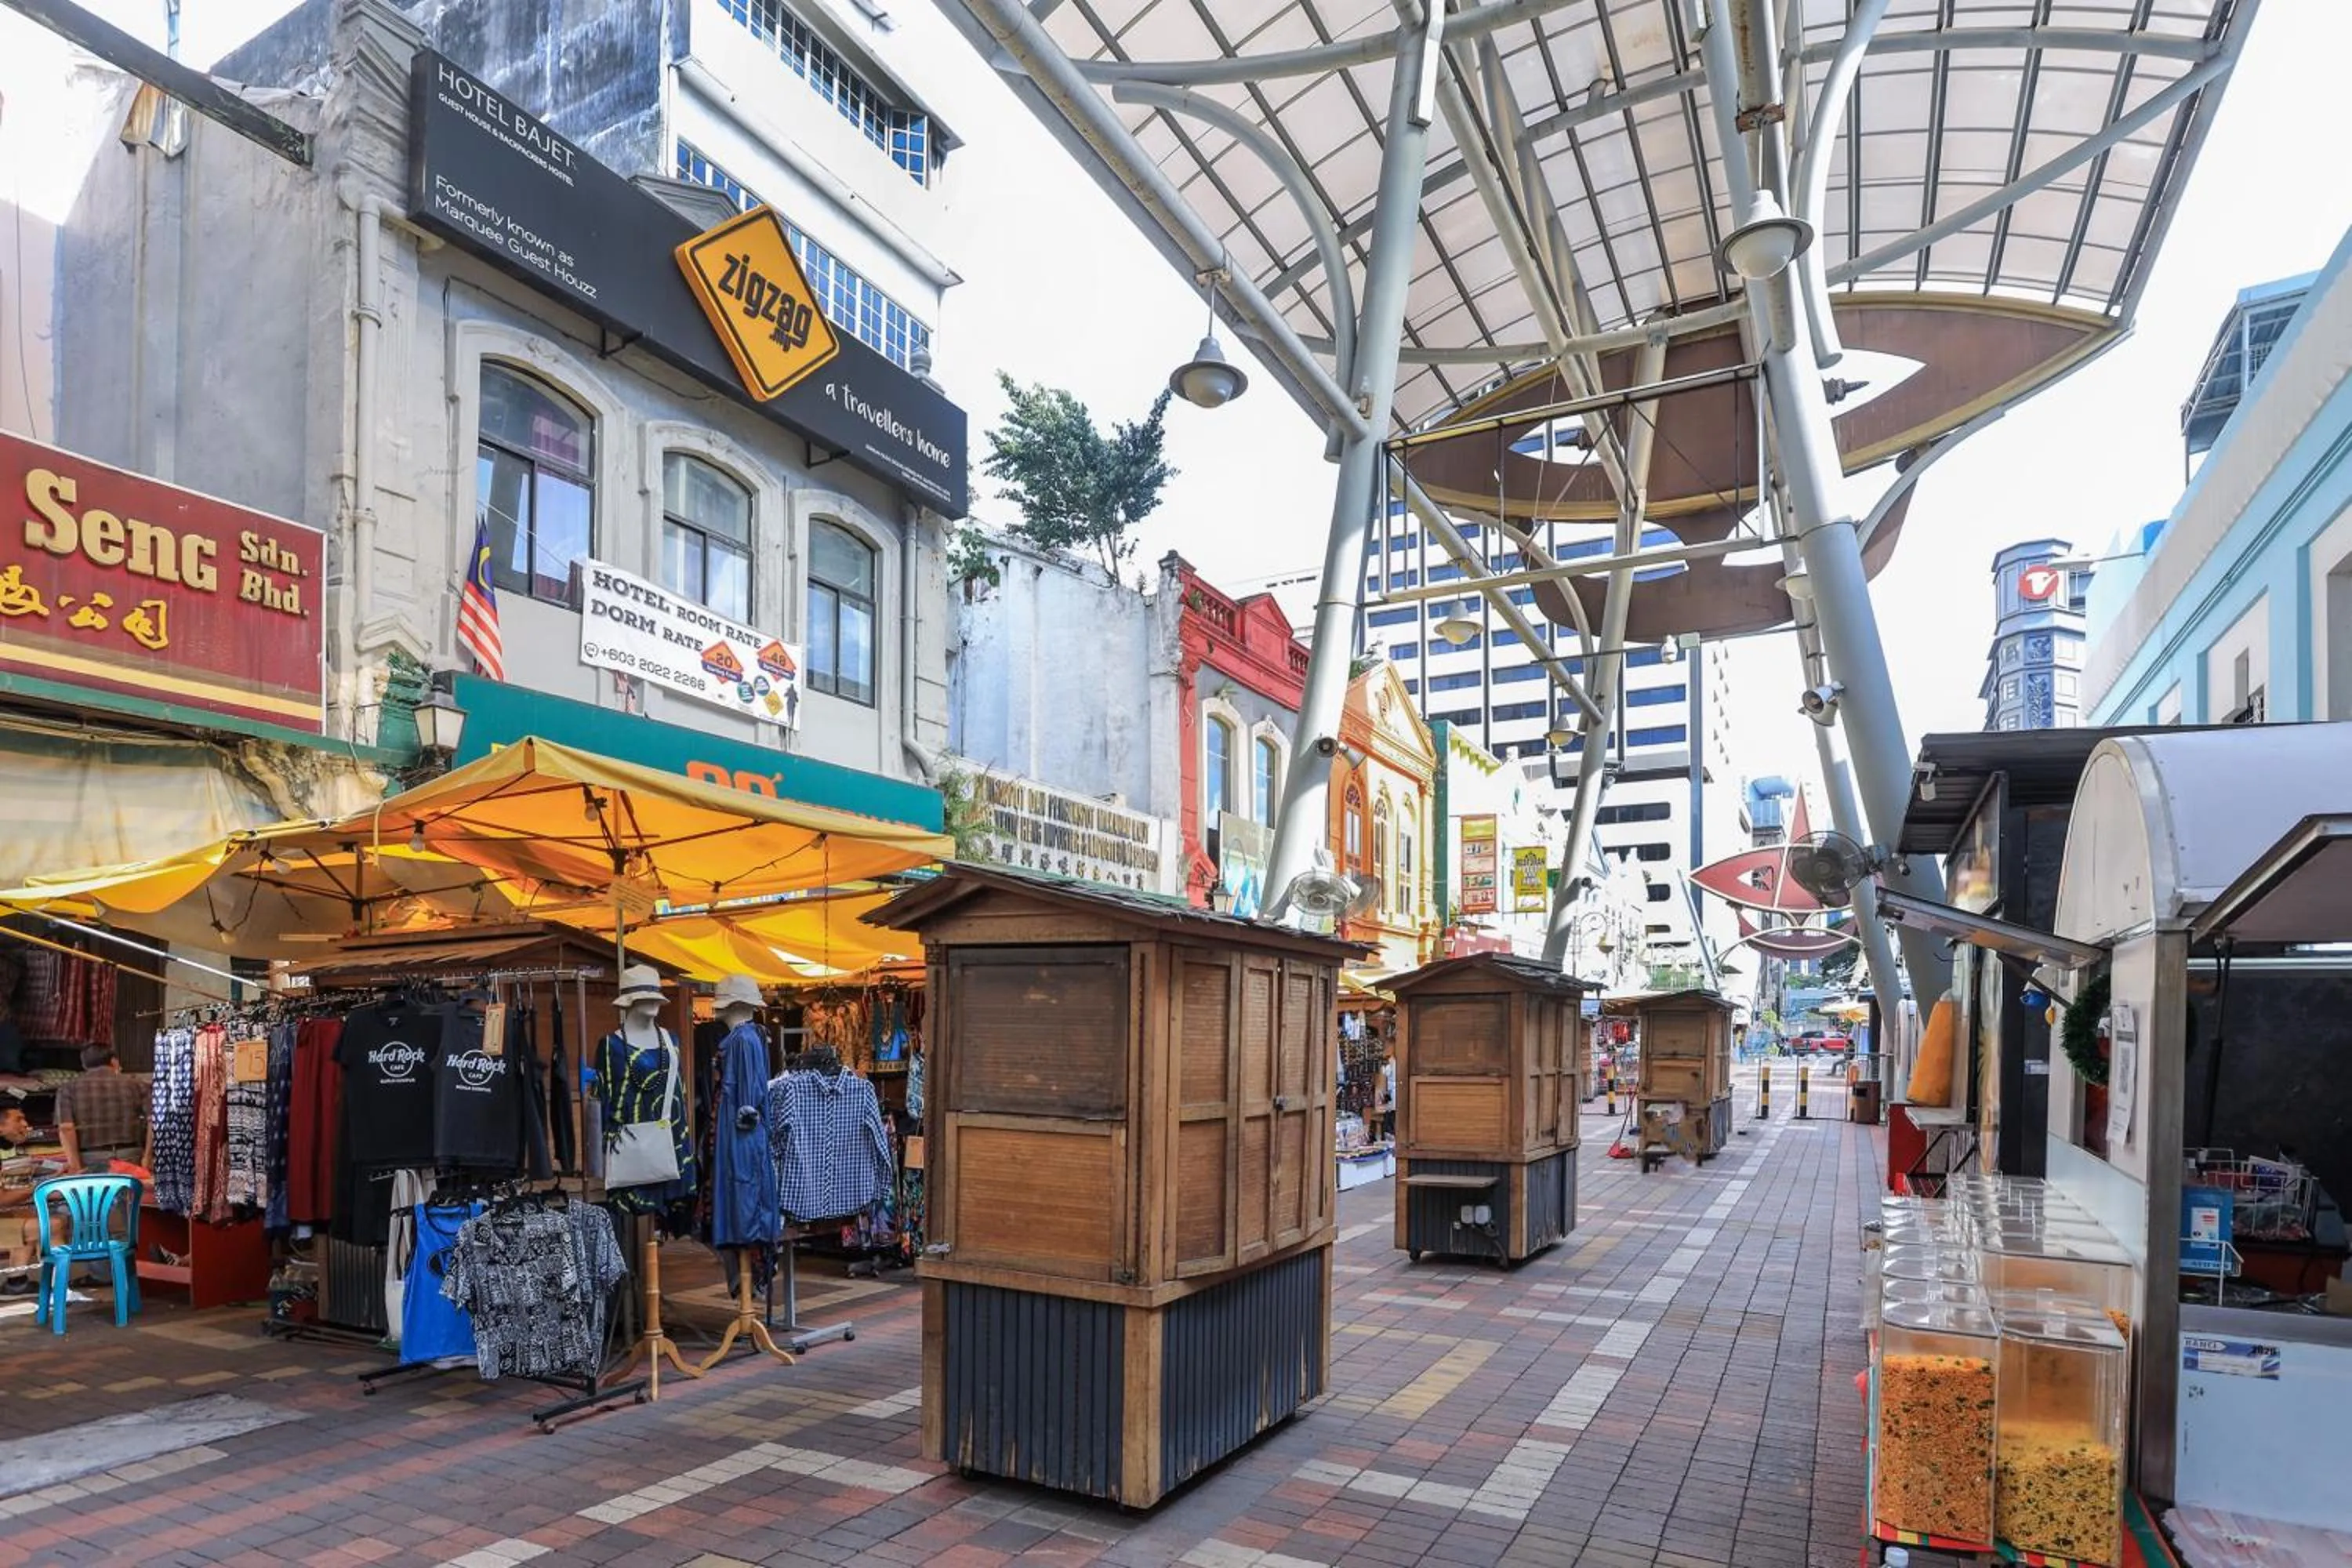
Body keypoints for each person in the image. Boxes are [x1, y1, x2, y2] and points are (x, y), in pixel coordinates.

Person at [55, 1044, 150, 1175]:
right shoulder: (138, 1085)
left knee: (97, 1195)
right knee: (129, 1194)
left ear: (84, 1065)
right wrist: (147, 1157)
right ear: (113, 1061)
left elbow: (66, 1128)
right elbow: (155, 1122)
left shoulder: (68, 1088)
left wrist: (74, 1165)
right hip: (130, 1154)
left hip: (90, 1157)